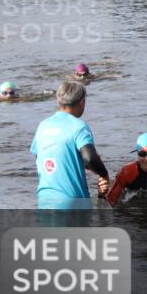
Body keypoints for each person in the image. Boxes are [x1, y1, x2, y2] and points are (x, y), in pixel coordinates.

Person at [30, 81, 109, 209]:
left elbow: (41, 156)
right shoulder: (79, 127)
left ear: (58, 101)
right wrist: (104, 174)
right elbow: (89, 158)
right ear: (82, 101)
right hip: (73, 201)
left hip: (45, 199)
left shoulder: (43, 125)